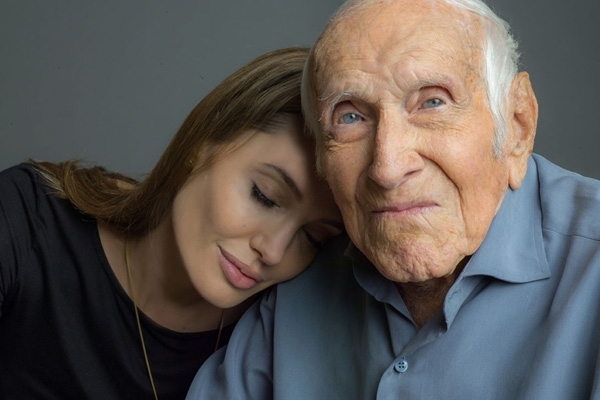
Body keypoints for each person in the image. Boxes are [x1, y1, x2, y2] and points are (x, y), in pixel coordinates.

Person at [186, 0, 600, 399]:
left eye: (433, 102)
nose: (387, 167)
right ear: (321, 160)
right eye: (350, 117)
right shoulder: (301, 280)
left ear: (517, 127)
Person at [0, 46, 344, 399]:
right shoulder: (27, 217)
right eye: (264, 195)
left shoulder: (280, 334)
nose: (273, 250)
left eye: (312, 237)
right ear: (203, 141)